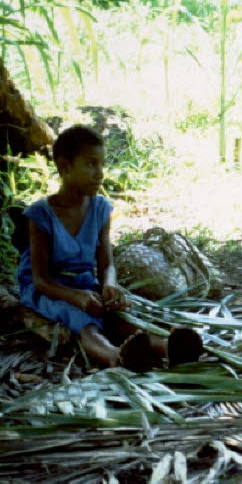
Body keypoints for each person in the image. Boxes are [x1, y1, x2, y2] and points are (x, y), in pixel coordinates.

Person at [17, 125, 203, 371]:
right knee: (83, 322)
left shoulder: (100, 209)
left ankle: (169, 347)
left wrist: (109, 285)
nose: (100, 174)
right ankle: (116, 356)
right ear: (64, 167)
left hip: (85, 284)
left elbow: (107, 264)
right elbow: (40, 280)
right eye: (91, 164)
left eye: (102, 164)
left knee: (117, 317)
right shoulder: (41, 215)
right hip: (52, 290)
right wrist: (75, 296)